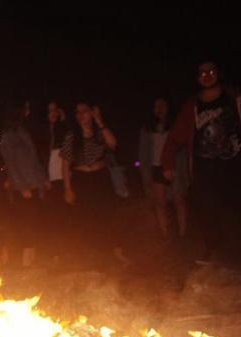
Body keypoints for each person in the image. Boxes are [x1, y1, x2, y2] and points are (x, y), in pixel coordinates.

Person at [161, 61, 241, 263]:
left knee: (234, 207)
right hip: (204, 167)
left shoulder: (233, 97)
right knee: (205, 208)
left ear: (218, 74)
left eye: (211, 71)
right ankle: (213, 248)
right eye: (203, 73)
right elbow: (175, 136)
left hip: (233, 164)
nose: (207, 75)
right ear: (198, 78)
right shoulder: (193, 105)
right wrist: (168, 164)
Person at [60, 101, 128, 266]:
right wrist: (68, 189)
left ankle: (117, 253)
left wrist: (100, 121)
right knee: (85, 219)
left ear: (91, 113)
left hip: (100, 178)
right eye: (78, 112)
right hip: (82, 180)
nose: (81, 115)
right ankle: (90, 256)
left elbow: (113, 143)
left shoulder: (99, 133)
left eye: (84, 111)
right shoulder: (72, 136)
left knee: (108, 216)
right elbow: (65, 164)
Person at [0, 100, 49, 267]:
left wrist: (43, 179)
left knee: (34, 222)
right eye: (25, 108)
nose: (28, 111)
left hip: (34, 183)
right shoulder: (8, 136)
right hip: (23, 187)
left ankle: (33, 261)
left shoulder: (23, 130)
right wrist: (22, 187)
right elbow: (10, 163)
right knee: (25, 224)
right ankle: (25, 264)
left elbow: (33, 157)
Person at [137, 97, 188, 238]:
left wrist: (184, 171)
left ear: (168, 107)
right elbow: (143, 152)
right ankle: (165, 233)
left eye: (162, 105)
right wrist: (144, 173)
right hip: (156, 168)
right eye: (156, 106)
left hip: (174, 166)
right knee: (160, 203)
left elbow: (183, 149)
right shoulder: (147, 128)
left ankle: (182, 234)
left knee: (179, 201)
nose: (159, 109)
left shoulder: (177, 126)